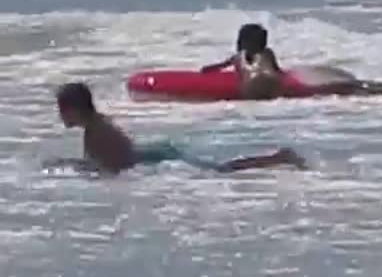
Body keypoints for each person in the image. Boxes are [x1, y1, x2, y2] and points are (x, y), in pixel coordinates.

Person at [47, 82, 307, 176]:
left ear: (75, 109)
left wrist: (79, 169)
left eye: (62, 110)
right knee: (220, 168)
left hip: (160, 156)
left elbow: (116, 168)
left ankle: (279, 157)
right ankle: (278, 157)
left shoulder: (98, 131)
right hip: (155, 152)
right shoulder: (94, 127)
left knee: (222, 170)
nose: (60, 116)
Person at [200, 23, 283, 100]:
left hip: (251, 88)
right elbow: (278, 71)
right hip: (272, 84)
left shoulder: (238, 57)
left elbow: (219, 66)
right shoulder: (268, 52)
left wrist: (206, 69)